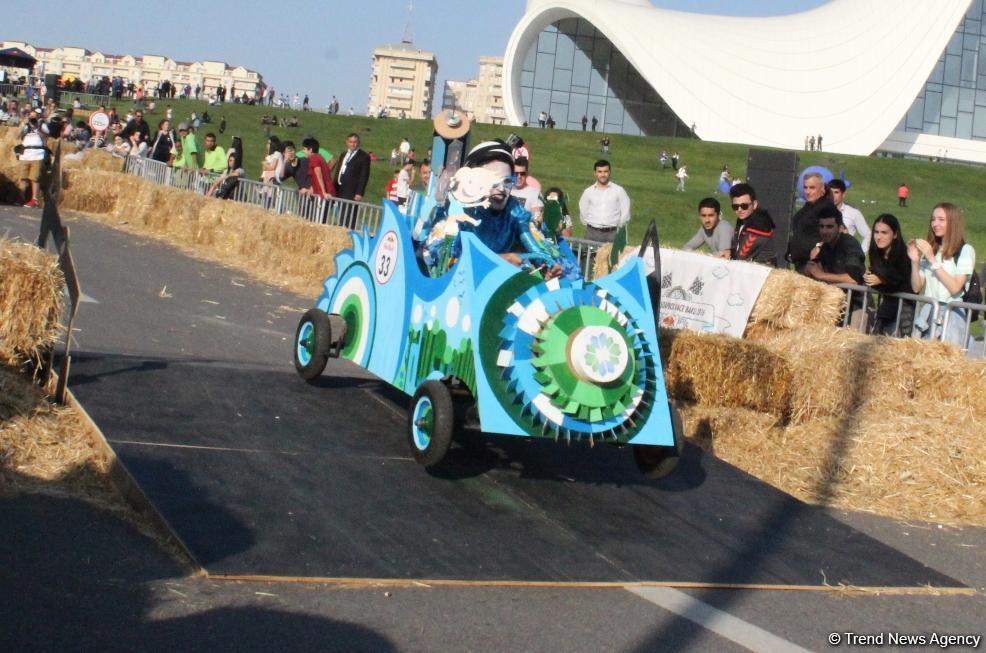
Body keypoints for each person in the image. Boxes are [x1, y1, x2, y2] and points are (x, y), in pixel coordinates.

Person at [425, 139, 562, 279]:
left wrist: (548, 267)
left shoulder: (515, 211)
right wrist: (500, 259)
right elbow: (442, 262)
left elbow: (535, 247)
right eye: (493, 181)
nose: (502, 189)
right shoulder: (457, 210)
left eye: (507, 181)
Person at [908, 203, 976, 346]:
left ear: (952, 222)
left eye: (941, 219)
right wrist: (915, 262)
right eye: (933, 219)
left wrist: (932, 259)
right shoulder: (932, 249)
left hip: (952, 315)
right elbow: (916, 287)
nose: (935, 224)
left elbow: (955, 288)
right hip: (928, 312)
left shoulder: (965, 250)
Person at [864, 214, 914, 336]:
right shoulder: (876, 253)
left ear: (895, 234)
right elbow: (879, 282)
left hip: (904, 308)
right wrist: (870, 278)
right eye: (876, 232)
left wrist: (882, 279)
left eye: (884, 232)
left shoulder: (904, 255)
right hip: (886, 306)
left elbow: (902, 281)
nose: (879, 237)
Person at [788, 172, 839, 273]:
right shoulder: (808, 206)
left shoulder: (826, 207)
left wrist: (819, 246)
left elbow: (838, 230)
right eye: (805, 187)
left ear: (822, 188)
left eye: (812, 188)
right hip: (801, 262)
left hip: (815, 265)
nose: (807, 191)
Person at [803, 212, 866, 292]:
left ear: (840, 228)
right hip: (835, 299)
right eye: (821, 226)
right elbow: (818, 271)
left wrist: (821, 275)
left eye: (829, 227)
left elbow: (853, 279)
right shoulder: (825, 246)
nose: (824, 231)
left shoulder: (849, 243)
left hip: (856, 302)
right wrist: (811, 267)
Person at [578, 159, 630, 243]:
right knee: (589, 256)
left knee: (611, 256)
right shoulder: (588, 192)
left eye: (605, 171)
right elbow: (583, 210)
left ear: (609, 172)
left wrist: (618, 226)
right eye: (600, 172)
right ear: (595, 173)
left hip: (612, 234)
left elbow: (625, 212)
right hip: (591, 233)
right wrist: (591, 224)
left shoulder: (619, 190)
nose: (603, 174)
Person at [729, 183, 777, 265]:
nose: (739, 210)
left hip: (763, 272)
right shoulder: (743, 220)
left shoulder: (759, 225)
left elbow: (741, 257)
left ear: (754, 205)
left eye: (744, 206)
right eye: (735, 206)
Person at [828, 179, 870, 251]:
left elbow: (868, 234)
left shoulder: (853, 213)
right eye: (830, 193)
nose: (833, 196)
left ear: (843, 195)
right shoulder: (821, 211)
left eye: (836, 192)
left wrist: (861, 252)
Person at [17, 111, 46, 207]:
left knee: (35, 178)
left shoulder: (42, 125)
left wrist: (37, 128)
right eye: (31, 116)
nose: (33, 118)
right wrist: (23, 124)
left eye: (34, 116)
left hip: (37, 155)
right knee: (23, 177)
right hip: (25, 154)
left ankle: (34, 199)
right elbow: (17, 136)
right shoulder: (25, 126)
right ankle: (21, 197)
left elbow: (46, 137)